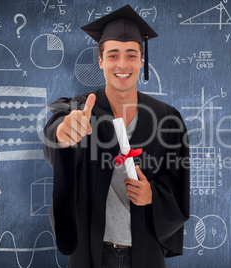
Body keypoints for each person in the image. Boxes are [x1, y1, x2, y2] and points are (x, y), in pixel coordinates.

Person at [43, 5, 190, 268]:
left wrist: (152, 196)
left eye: (131, 55)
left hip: (144, 253)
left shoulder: (166, 119)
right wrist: (62, 134)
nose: (122, 64)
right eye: (113, 55)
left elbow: (178, 186)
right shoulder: (81, 109)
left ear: (141, 61)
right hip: (91, 251)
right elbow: (57, 128)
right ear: (101, 61)